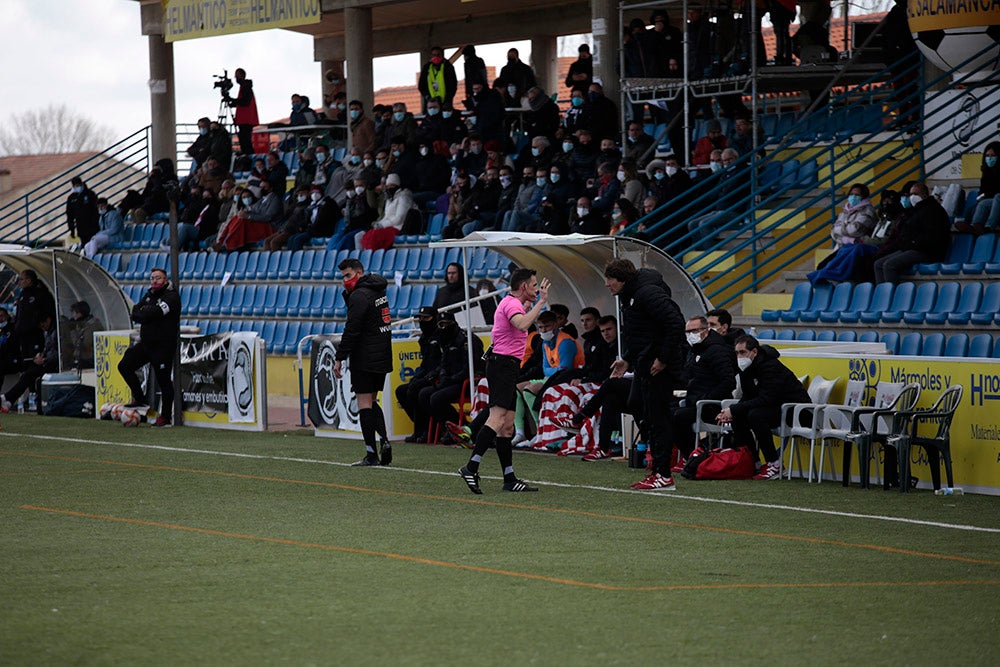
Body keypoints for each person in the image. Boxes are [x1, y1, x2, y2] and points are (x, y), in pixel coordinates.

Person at [458, 268, 550, 494]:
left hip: (507, 366)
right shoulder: (511, 304)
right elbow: (521, 325)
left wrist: (531, 307)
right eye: (534, 284)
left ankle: (509, 478)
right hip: (502, 366)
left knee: (507, 425)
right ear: (523, 287)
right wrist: (541, 304)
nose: (537, 289)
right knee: (498, 418)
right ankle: (471, 467)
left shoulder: (513, 304)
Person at [604, 258, 686, 490]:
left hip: (657, 366)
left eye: (610, 279)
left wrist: (663, 358)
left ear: (621, 279)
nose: (607, 284)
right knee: (638, 405)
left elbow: (675, 322)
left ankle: (663, 474)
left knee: (658, 416)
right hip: (643, 363)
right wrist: (627, 359)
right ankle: (657, 465)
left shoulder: (646, 294)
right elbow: (643, 333)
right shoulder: (631, 295)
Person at [716, 335, 811, 480]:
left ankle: (775, 463)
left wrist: (734, 409)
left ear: (754, 351)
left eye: (742, 352)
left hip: (795, 410)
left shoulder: (771, 366)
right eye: (736, 353)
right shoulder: (746, 369)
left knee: (756, 415)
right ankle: (752, 461)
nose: (739, 357)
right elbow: (748, 396)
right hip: (775, 408)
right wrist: (731, 411)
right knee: (739, 417)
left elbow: (767, 398)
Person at [334, 258, 393, 467]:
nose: (345, 281)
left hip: (365, 355)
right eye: (342, 277)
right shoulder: (378, 290)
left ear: (359, 273)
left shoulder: (359, 295)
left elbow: (352, 329)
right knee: (372, 400)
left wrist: (340, 357)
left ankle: (371, 454)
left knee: (364, 404)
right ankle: (384, 441)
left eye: (348, 276)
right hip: (382, 354)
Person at [671, 316, 738, 466]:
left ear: (705, 330)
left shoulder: (716, 351)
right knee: (667, 411)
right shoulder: (694, 351)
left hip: (713, 406)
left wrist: (706, 398)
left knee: (678, 416)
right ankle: (689, 454)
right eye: (687, 332)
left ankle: (693, 456)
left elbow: (728, 381)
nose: (690, 335)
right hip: (695, 402)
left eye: (693, 331)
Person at [117, 268, 180, 427]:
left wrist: (145, 313)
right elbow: (135, 312)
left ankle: (165, 418)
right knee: (124, 365)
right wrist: (145, 312)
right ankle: (139, 398)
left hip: (163, 346)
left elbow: (156, 312)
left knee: (164, 381)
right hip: (146, 344)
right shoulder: (149, 294)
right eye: (152, 278)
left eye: (158, 278)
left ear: (165, 280)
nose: (154, 281)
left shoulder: (172, 296)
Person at [415, 311, 485, 443]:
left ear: (453, 323)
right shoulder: (446, 339)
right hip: (449, 380)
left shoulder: (466, 340)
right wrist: (442, 375)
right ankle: (447, 427)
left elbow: (469, 367)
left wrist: (450, 380)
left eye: (446, 324)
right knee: (423, 394)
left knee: (436, 398)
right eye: (440, 325)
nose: (443, 328)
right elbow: (444, 363)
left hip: (464, 381)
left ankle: (461, 427)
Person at [873, 182, 951, 284]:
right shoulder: (916, 210)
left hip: (927, 251)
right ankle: (883, 295)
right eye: (910, 194)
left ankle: (893, 296)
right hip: (911, 248)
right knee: (878, 264)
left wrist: (913, 242)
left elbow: (932, 236)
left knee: (889, 265)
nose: (912, 197)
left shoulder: (933, 210)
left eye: (915, 194)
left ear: (924, 195)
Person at [806, 183, 879, 285]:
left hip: (857, 248)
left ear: (864, 197)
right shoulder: (846, 210)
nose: (853, 197)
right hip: (842, 246)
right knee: (821, 266)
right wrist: (846, 238)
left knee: (837, 269)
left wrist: (840, 228)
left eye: (857, 195)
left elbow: (855, 230)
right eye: (851, 194)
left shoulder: (868, 211)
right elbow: (833, 232)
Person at [397, 307, 444, 443]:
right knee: (402, 390)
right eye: (420, 318)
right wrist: (418, 377)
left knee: (418, 391)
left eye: (426, 318)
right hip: (427, 374)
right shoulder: (424, 338)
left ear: (434, 318)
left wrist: (430, 376)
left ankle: (427, 430)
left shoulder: (441, 335)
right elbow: (425, 363)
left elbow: (443, 362)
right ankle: (420, 427)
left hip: (439, 376)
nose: (422, 321)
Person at [0, 314, 57, 414]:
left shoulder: (56, 332)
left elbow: (60, 352)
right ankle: (9, 399)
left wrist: (45, 359)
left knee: (29, 374)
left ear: (48, 319)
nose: (42, 327)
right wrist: (42, 355)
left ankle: (8, 398)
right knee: (29, 372)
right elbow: (49, 349)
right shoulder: (49, 332)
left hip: (54, 364)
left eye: (42, 324)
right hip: (48, 362)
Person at [956, 141, 1000, 234]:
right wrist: (980, 197)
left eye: (993, 155)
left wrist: (988, 195)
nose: (990, 158)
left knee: (997, 197)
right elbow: (982, 192)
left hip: (997, 199)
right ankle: (974, 226)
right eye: (987, 156)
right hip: (990, 201)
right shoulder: (986, 173)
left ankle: (989, 226)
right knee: (979, 204)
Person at [12, 270, 55, 363]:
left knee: (35, 358)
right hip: (22, 335)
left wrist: (41, 324)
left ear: (29, 280)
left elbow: (48, 313)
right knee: (25, 360)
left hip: (35, 334)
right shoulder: (23, 294)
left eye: (21, 279)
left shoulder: (41, 294)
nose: (19, 282)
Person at [61, 300, 102, 370]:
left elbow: (83, 344)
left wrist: (72, 331)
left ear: (80, 314)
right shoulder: (80, 325)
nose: (73, 316)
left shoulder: (92, 326)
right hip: (80, 359)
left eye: (74, 313)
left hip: (89, 360)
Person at [228, 68, 259, 156]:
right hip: (245, 119)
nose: (235, 77)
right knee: (244, 139)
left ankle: (247, 155)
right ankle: (246, 154)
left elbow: (244, 102)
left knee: (245, 140)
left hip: (246, 119)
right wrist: (234, 102)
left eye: (237, 75)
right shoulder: (245, 86)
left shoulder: (245, 87)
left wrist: (233, 101)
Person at [418, 46, 458, 110]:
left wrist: (448, 100)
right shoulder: (426, 68)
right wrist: (428, 98)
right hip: (430, 104)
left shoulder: (448, 67)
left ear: (442, 55)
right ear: (431, 56)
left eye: (438, 55)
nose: (436, 57)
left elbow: (453, 85)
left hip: (445, 104)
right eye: (434, 55)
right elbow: (421, 85)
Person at [66, 176, 99, 247]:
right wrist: (71, 228)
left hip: (92, 226)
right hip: (80, 226)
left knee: (93, 244)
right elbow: (70, 214)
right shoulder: (71, 198)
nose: (76, 187)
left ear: (81, 184)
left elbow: (95, 210)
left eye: (78, 185)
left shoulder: (90, 194)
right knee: (84, 245)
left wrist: (95, 224)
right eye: (75, 186)